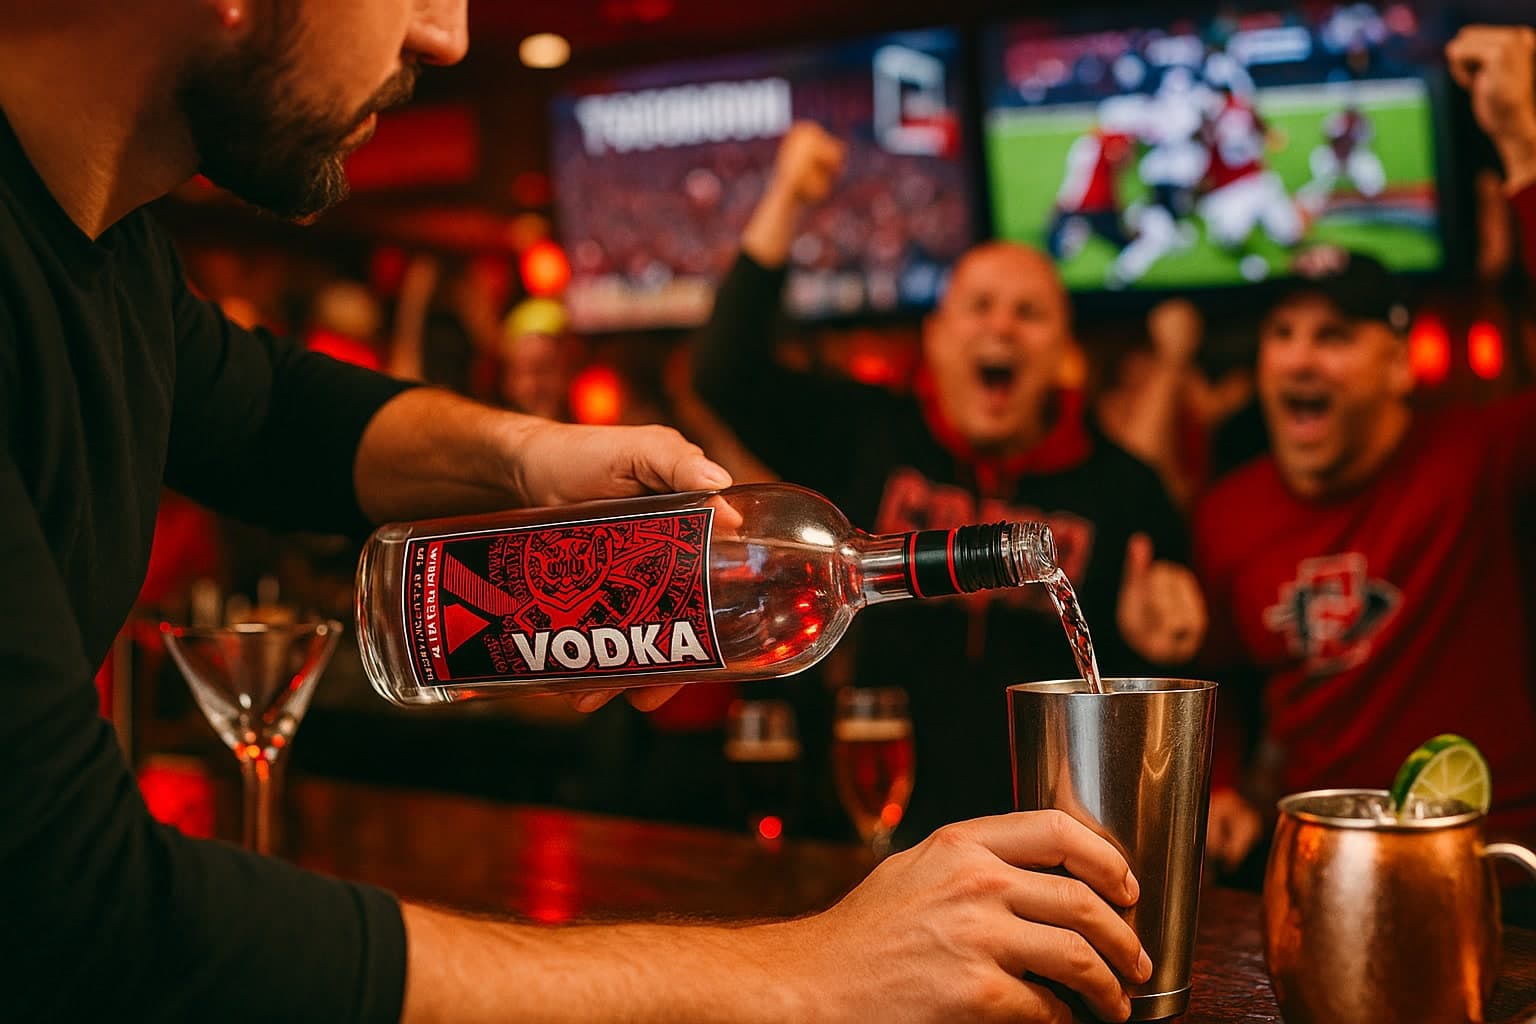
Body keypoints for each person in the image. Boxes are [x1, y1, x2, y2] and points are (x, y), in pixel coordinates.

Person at [1, 4, 1156, 1021]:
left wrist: (528, 455)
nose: (447, 33)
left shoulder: (107, 252)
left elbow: (265, 411)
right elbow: (94, 922)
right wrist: (804, 972)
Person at [692, 121, 1207, 845]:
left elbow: (1161, 686)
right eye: (980, 307)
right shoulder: (869, 432)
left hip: (1051, 846)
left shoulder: (1127, 490)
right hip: (869, 835)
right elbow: (725, 373)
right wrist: (786, 197)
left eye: (1029, 314)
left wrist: (1167, 647)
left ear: (1062, 351)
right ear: (936, 337)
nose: (1001, 328)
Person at [1198, 24, 1536, 888]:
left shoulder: (1478, 457)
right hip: (1321, 870)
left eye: (1334, 335)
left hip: (1498, 862)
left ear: (1397, 365)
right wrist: (1226, 781)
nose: (1300, 358)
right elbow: (1217, 681)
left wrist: (1525, 150)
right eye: (1282, 333)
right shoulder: (1226, 514)